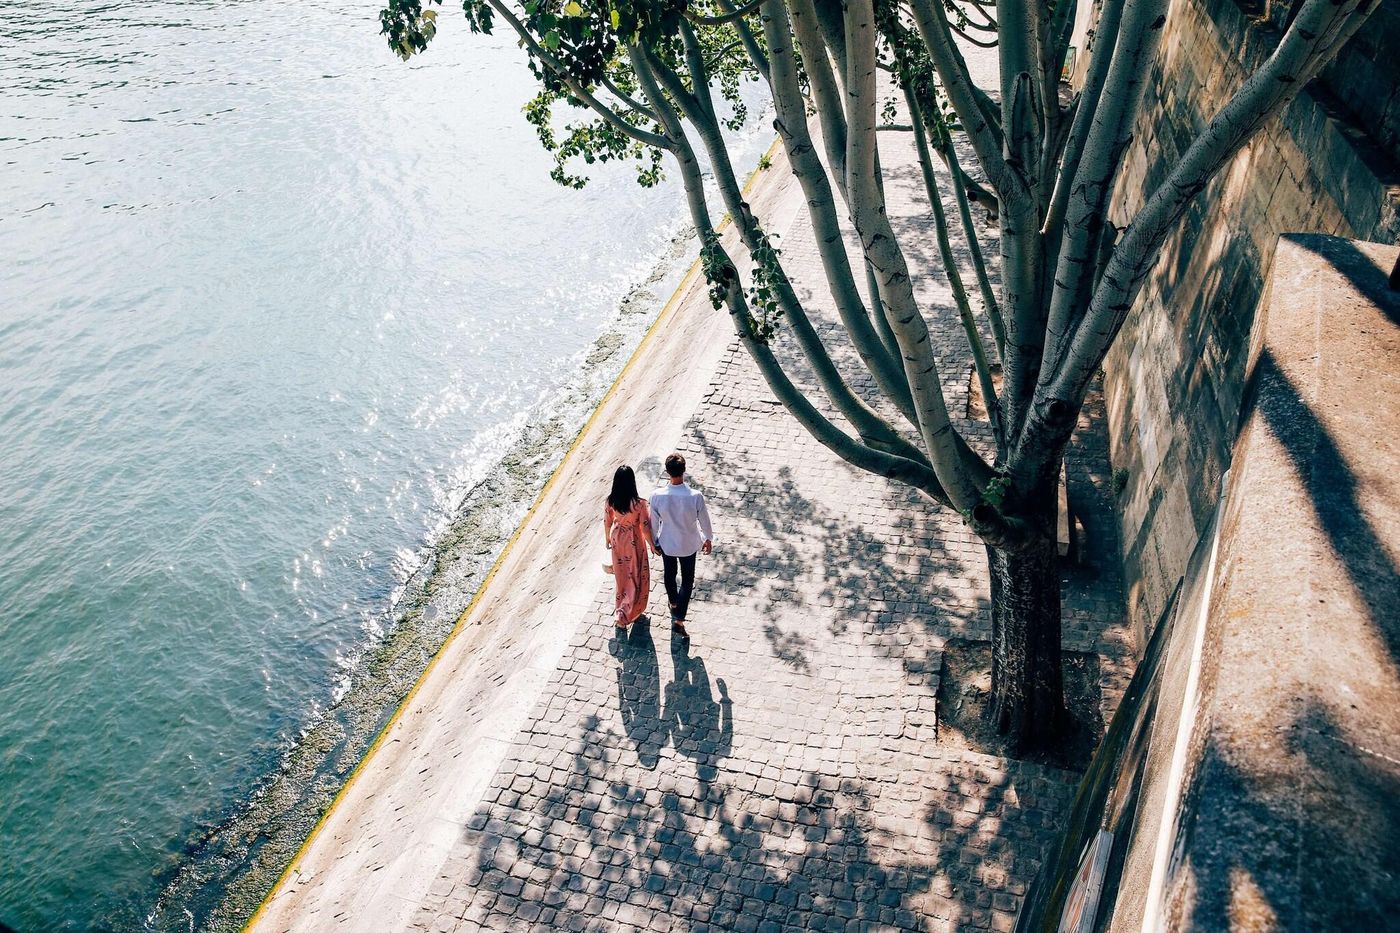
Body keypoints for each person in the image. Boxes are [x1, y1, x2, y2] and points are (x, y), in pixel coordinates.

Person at [649, 452, 713, 639]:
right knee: (687, 580)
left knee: (669, 574)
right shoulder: (695, 496)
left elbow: (653, 523)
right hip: (688, 543)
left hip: (668, 542)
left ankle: (673, 602)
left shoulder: (657, 496)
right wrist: (708, 538)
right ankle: (679, 619)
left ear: (667, 472)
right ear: (684, 471)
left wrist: (653, 542)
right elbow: (704, 520)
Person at [603, 465, 654, 628]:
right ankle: (631, 610)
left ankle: (621, 611)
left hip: (617, 538)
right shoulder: (639, 504)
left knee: (622, 576)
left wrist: (607, 539)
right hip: (633, 541)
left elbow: (607, 521)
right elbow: (645, 528)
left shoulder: (611, 500)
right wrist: (652, 545)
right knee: (636, 575)